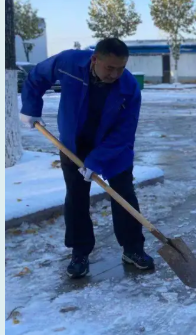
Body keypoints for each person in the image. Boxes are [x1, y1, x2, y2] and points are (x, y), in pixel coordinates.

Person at [20, 38, 154, 279]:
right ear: (95, 59)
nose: (115, 74)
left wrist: (97, 161)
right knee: (77, 196)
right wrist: (31, 107)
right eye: (109, 68)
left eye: (120, 68)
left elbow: (125, 132)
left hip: (114, 148)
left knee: (124, 194)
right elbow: (37, 76)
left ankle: (133, 248)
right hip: (73, 143)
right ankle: (79, 252)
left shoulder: (129, 87)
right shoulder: (68, 62)